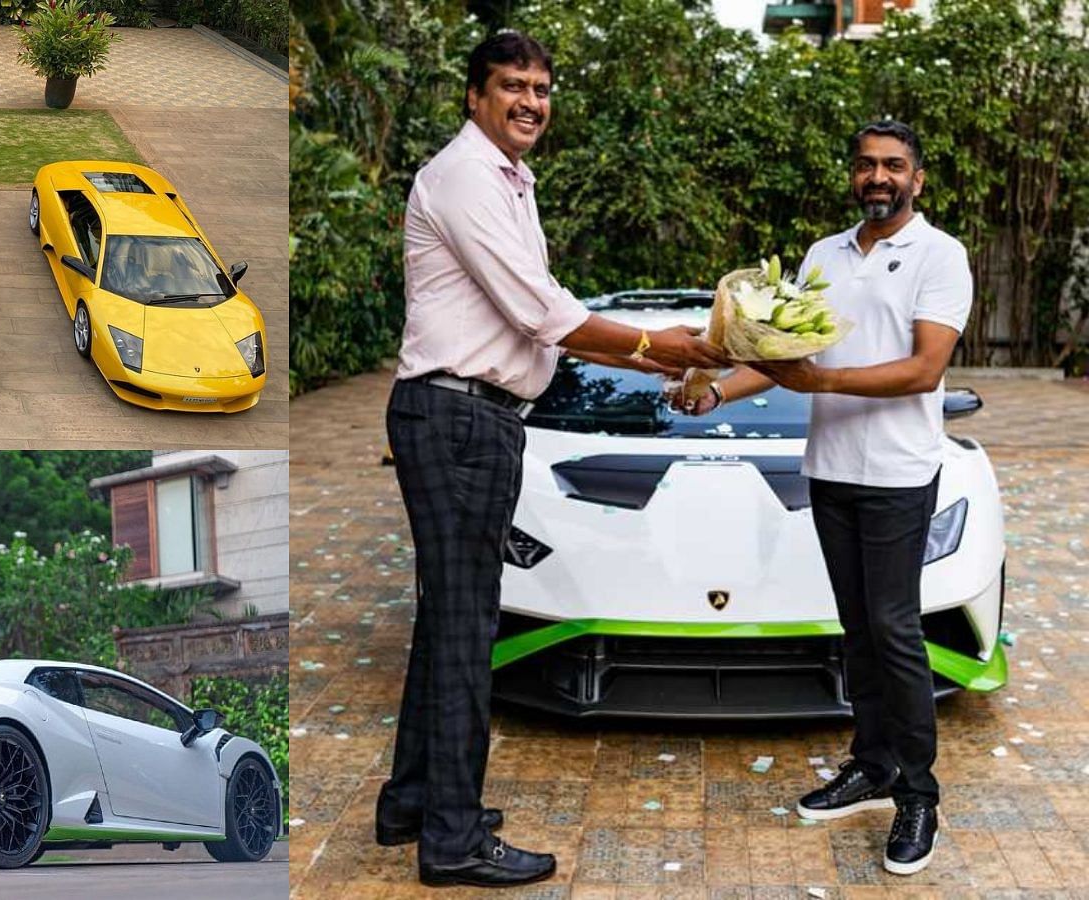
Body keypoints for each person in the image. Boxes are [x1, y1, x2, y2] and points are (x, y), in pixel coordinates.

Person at [377, 29, 727, 889]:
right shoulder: (464, 177)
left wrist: (673, 358)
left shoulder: (508, 182)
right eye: (512, 86)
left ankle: (415, 802)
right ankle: (453, 841)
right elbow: (543, 314)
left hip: (472, 417)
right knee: (467, 630)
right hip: (457, 417)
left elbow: (553, 318)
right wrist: (662, 343)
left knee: (449, 618)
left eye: (541, 88)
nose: (530, 101)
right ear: (474, 96)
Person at [675, 119, 971, 876]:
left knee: (895, 630)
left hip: (900, 473)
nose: (880, 177)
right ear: (853, 175)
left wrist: (825, 384)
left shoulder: (941, 256)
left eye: (894, 166)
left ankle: (918, 794)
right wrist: (720, 394)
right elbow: (785, 357)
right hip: (832, 470)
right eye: (868, 165)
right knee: (859, 630)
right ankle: (871, 767)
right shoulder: (823, 255)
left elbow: (923, 371)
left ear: (918, 179)